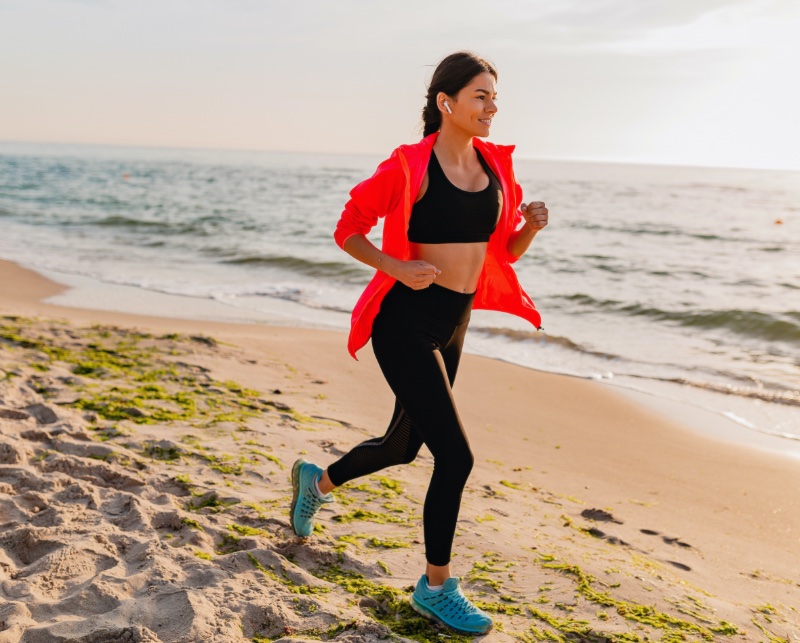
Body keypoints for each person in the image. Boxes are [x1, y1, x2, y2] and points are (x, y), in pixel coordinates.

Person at [290, 51, 548, 635]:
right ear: (446, 103)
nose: (492, 106)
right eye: (481, 96)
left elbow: (500, 252)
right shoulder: (410, 166)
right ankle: (435, 588)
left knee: (403, 445)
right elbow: (348, 229)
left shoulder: (495, 170)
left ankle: (318, 481)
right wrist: (395, 266)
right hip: (405, 322)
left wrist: (527, 227)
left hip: (455, 323)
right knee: (455, 457)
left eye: (494, 96)